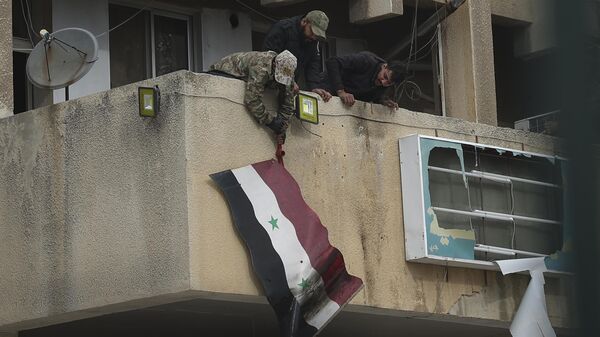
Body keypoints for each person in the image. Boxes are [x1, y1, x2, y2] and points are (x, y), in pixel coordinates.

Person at [209, 50, 297, 140]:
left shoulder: (288, 71)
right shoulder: (260, 67)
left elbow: (288, 104)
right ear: (275, 65)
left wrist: (282, 129)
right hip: (224, 71)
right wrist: (271, 121)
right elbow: (251, 99)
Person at [263, 10, 329, 96]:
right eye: (313, 31)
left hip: (289, 87)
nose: (313, 37)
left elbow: (313, 63)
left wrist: (314, 86)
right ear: (304, 22)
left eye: (317, 35)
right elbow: (269, 55)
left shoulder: (313, 41)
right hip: (268, 81)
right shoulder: (283, 27)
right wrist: (288, 79)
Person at [314, 51, 406, 108]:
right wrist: (341, 91)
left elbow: (370, 96)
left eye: (388, 83)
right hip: (327, 86)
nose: (383, 82)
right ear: (384, 66)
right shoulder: (366, 60)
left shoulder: (383, 85)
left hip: (343, 104)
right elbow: (332, 62)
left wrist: (383, 101)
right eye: (385, 76)